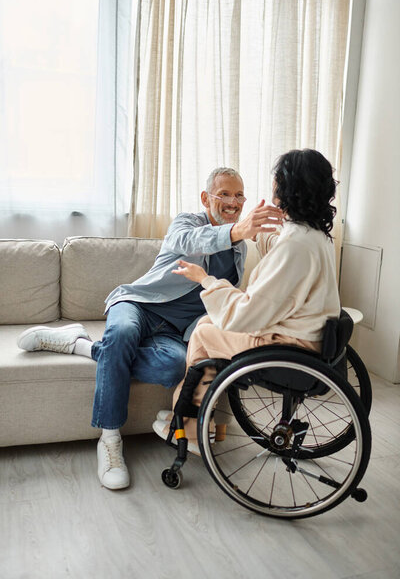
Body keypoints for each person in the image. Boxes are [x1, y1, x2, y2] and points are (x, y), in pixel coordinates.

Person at [17, 167, 283, 490]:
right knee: (123, 336)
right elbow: (188, 242)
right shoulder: (188, 224)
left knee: (174, 367)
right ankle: (110, 439)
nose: (233, 201)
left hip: (175, 333)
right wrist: (237, 232)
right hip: (138, 306)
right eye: (224, 194)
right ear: (205, 198)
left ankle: (80, 344)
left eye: (239, 195)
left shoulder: (240, 248)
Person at [153, 149, 341, 450]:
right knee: (207, 325)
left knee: (203, 333)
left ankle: (187, 428)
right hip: (311, 338)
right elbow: (280, 252)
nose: (273, 187)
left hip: (287, 347)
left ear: (286, 188)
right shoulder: (312, 235)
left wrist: (205, 280)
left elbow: (246, 314)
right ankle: (194, 412)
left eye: (276, 182)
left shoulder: (295, 245)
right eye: (226, 195)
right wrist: (255, 231)